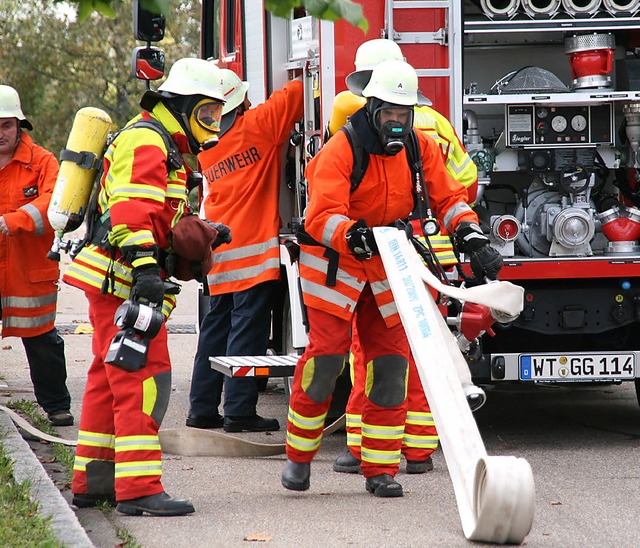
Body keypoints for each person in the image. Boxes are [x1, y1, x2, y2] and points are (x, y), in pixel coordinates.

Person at [281, 59, 502, 498]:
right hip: (334, 266)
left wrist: (471, 235)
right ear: (372, 108)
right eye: (390, 114)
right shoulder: (341, 150)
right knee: (325, 361)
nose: (397, 123)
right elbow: (319, 216)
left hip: (386, 265)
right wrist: (352, 234)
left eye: (405, 114)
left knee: (390, 366)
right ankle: (298, 456)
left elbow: (448, 198)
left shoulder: (420, 147)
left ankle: (380, 469)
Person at [63, 57, 229, 516]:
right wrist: (146, 270)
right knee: (143, 380)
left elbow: (156, 213)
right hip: (125, 281)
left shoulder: (160, 142)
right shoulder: (148, 139)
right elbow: (132, 211)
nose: (212, 125)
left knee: (106, 378)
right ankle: (138, 490)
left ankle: (94, 482)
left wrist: (204, 229)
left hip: (116, 279)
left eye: (216, 115)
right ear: (180, 105)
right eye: (206, 114)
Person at [332, 38, 482, 476]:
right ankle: (418, 450)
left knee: (372, 352)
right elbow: (464, 181)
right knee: (424, 350)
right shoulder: (431, 122)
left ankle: (361, 447)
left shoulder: (353, 123)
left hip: (384, 255)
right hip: (432, 253)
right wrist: (466, 231)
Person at [186, 68, 303, 433]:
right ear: (239, 104)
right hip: (252, 256)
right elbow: (299, 90)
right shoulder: (258, 126)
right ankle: (238, 411)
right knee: (245, 336)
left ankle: (202, 410)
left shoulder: (205, 147)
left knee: (214, 333)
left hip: (218, 252)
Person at [0, 84, 73, 427]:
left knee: (42, 339)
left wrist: (13, 221)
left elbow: (54, 204)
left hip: (29, 272)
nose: (1, 133)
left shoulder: (42, 162)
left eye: (6, 125)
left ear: (19, 126)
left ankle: (56, 406)